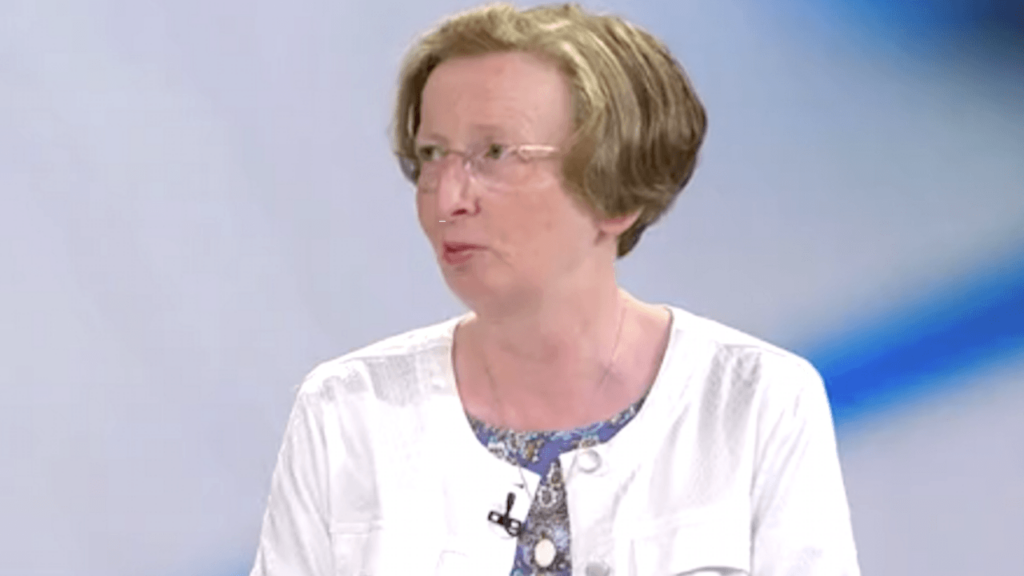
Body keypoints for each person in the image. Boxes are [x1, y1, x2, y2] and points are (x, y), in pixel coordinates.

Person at [249, 3, 860, 575]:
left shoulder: (755, 404)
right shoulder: (347, 414)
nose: (447, 198)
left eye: (495, 153)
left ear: (615, 192)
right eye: (432, 154)